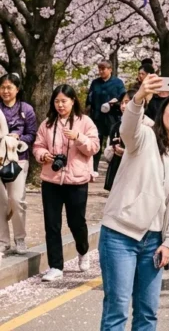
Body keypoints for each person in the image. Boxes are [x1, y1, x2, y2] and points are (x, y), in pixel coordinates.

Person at [100, 77, 169, 330]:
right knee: (117, 310)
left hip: (154, 242)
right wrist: (139, 98)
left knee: (148, 314)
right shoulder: (143, 137)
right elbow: (127, 127)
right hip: (120, 235)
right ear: (163, 111)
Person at [34, 84, 100, 282]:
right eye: (57, 101)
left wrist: (79, 138)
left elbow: (94, 147)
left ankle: (83, 250)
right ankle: (56, 266)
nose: (60, 105)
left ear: (73, 101)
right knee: (52, 224)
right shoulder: (47, 124)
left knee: (76, 222)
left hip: (77, 181)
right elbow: (37, 145)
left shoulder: (85, 122)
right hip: (51, 180)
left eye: (64, 101)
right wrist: (42, 154)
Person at [0, 73, 37, 255]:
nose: (5, 91)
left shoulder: (26, 109)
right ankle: (3, 240)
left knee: (17, 200)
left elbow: (32, 133)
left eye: (9, 87)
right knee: (0, 201)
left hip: (18, 159)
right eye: (3, 87)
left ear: (17, 89)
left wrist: (18, 138)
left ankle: (19, 237)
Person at [86, 60, 126, 179]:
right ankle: (93, 169)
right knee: (96, 142)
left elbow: (123, 98)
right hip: (97, 117)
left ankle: (113, 170)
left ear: (110, 69)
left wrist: (114, 102)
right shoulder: (95, 83)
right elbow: (89, 99)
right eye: (100, 69)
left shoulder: (118, 83)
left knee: (113, 143)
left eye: (104, 69)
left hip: (112, 117)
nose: (101, 71)